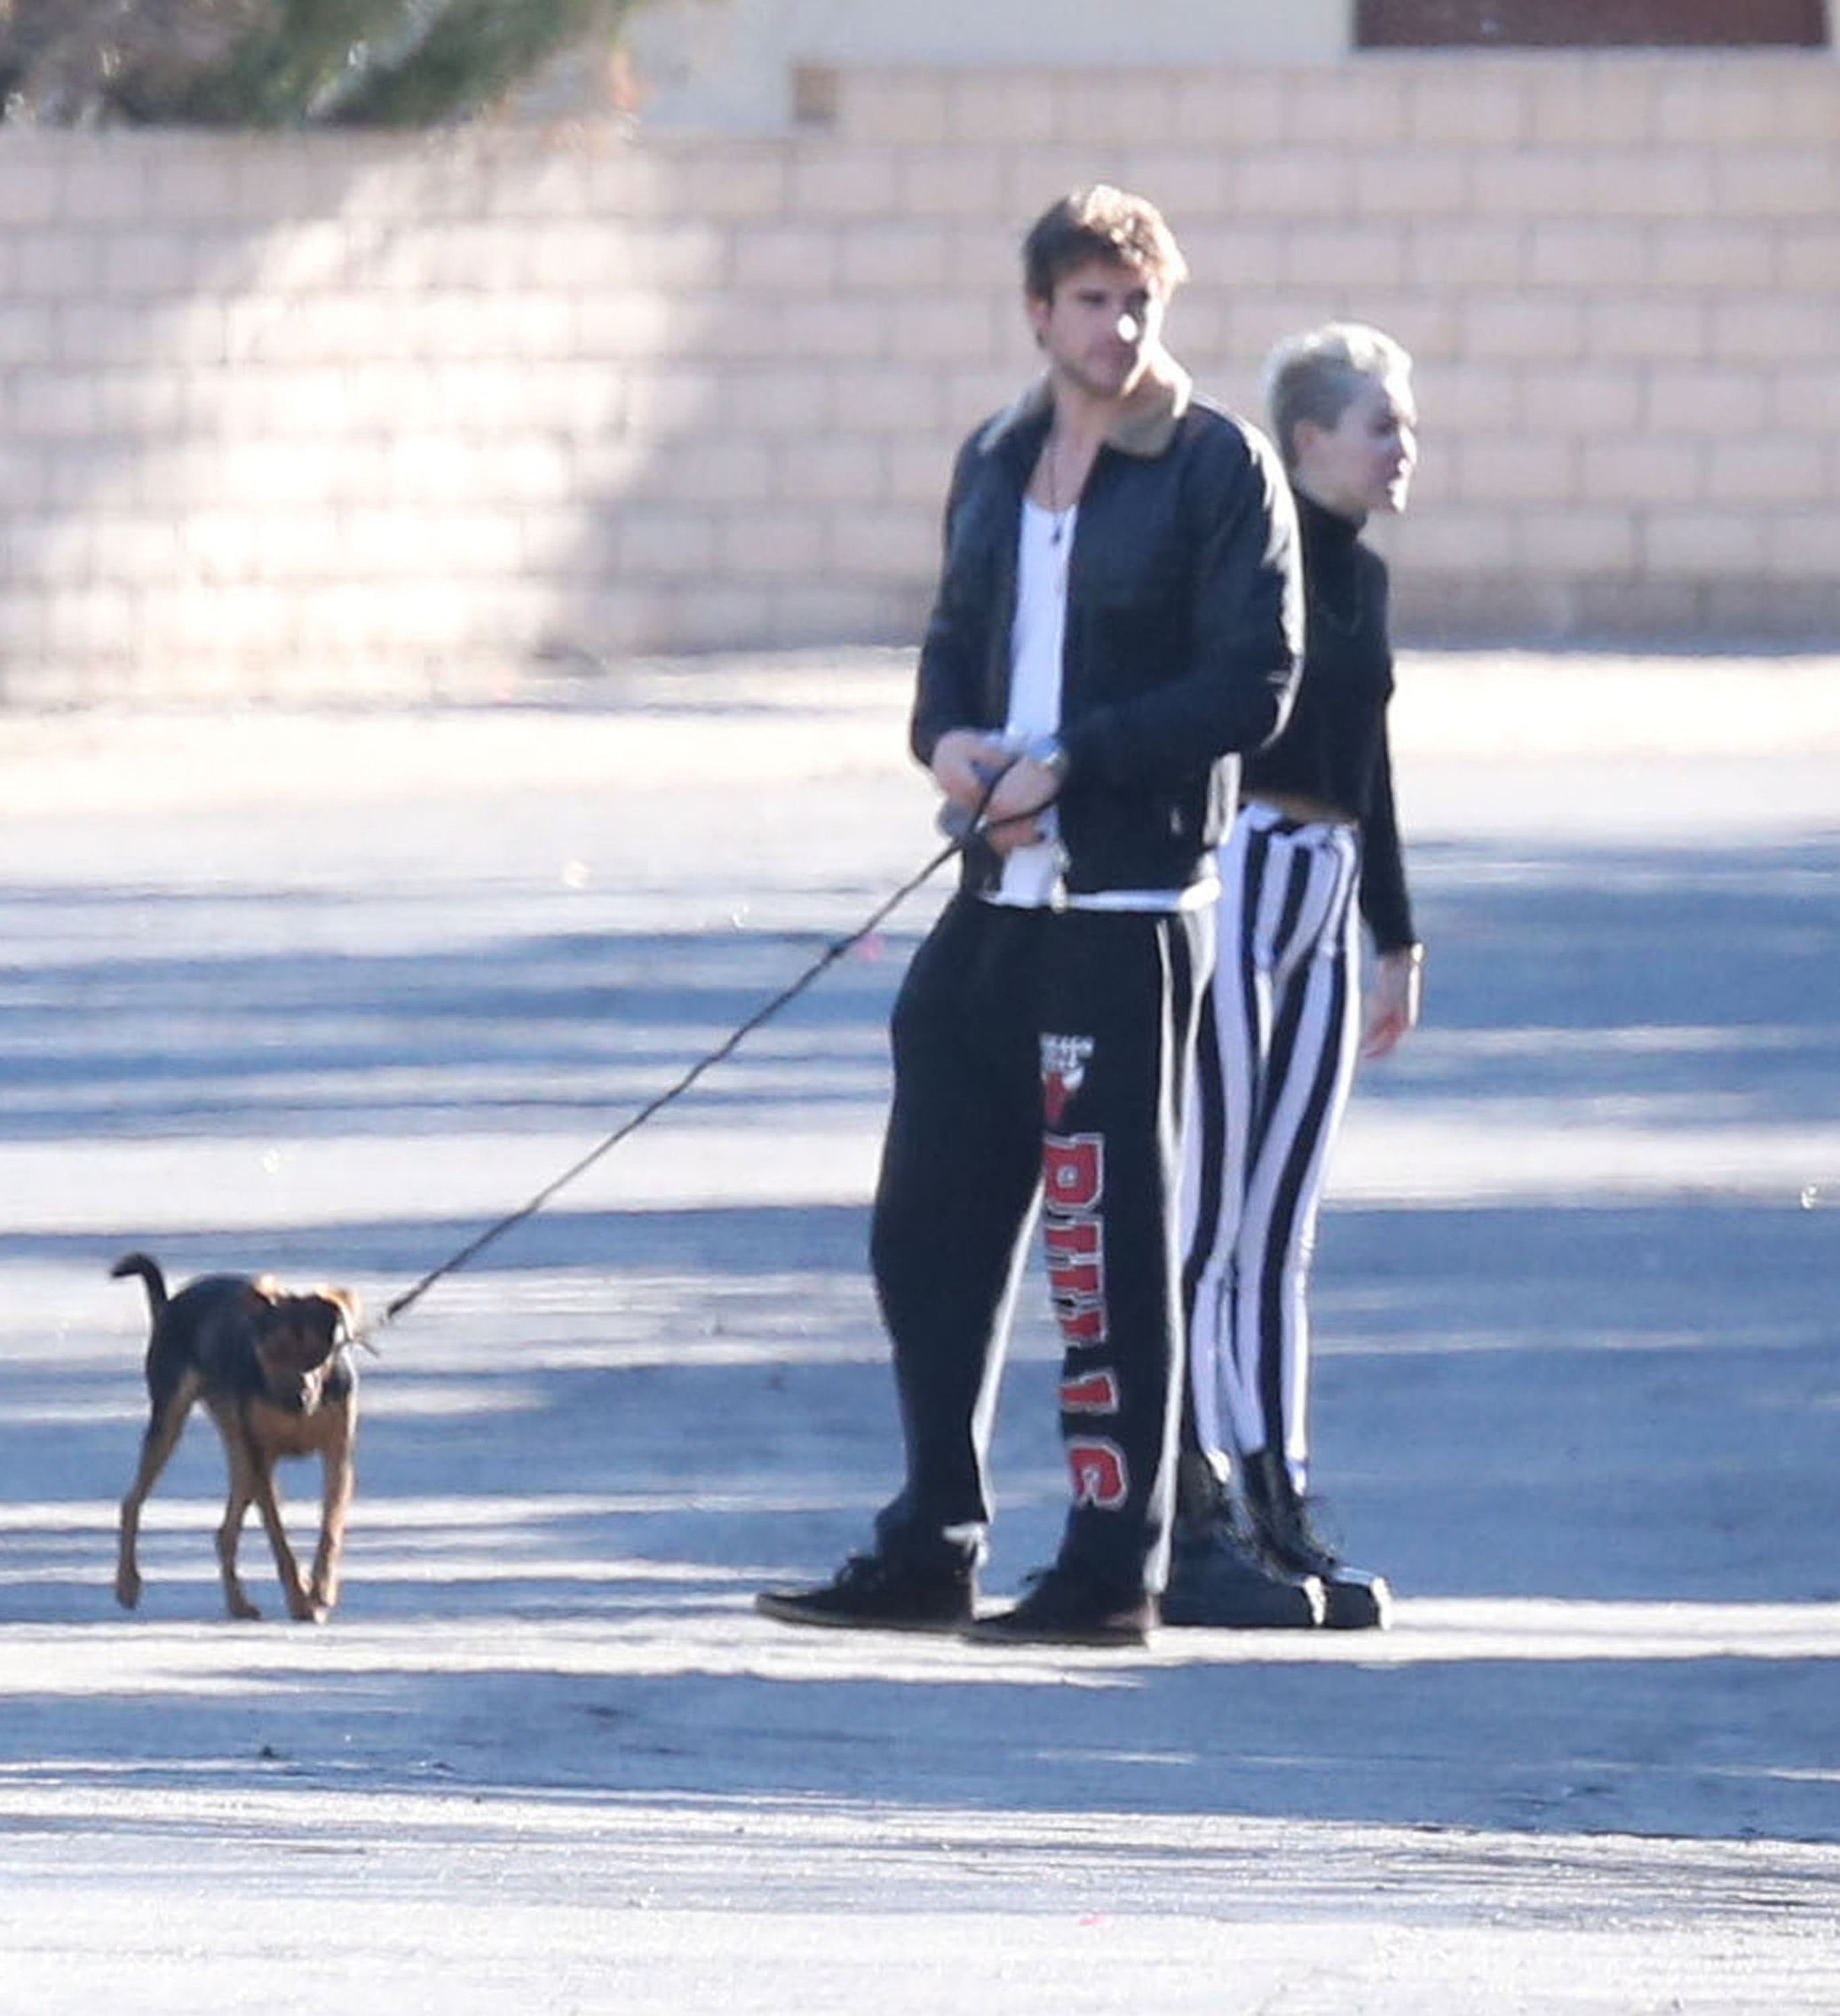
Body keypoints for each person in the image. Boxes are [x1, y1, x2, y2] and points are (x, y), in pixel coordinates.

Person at [755, 185, 1303, 1647]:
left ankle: (1112, 1565)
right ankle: (932, 1530)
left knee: (1105, 1238)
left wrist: (1081, 757)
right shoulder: (998, 461)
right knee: (924, 1221)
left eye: (1141, 302)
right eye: (1093, 302)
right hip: (991, 892)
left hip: (1122, 903)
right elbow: (948, 657)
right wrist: (951, 751)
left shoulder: (1213, 467)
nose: (1120, 328)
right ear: (1037, 313)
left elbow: (1254, 683)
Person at [1166, 321, 1424, 1632]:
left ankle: (1281, 1497)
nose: (1403, 451)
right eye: (1381, 425)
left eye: (1406, 426)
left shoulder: (1367, 582)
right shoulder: (1251, 549)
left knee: (1284, 1226)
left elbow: (1369, 763)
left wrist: (1396, 932)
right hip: (1243, 869)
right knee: (1209, 1218)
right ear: (1307, 438)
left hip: (1324, 890)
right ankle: (1192, 1499)